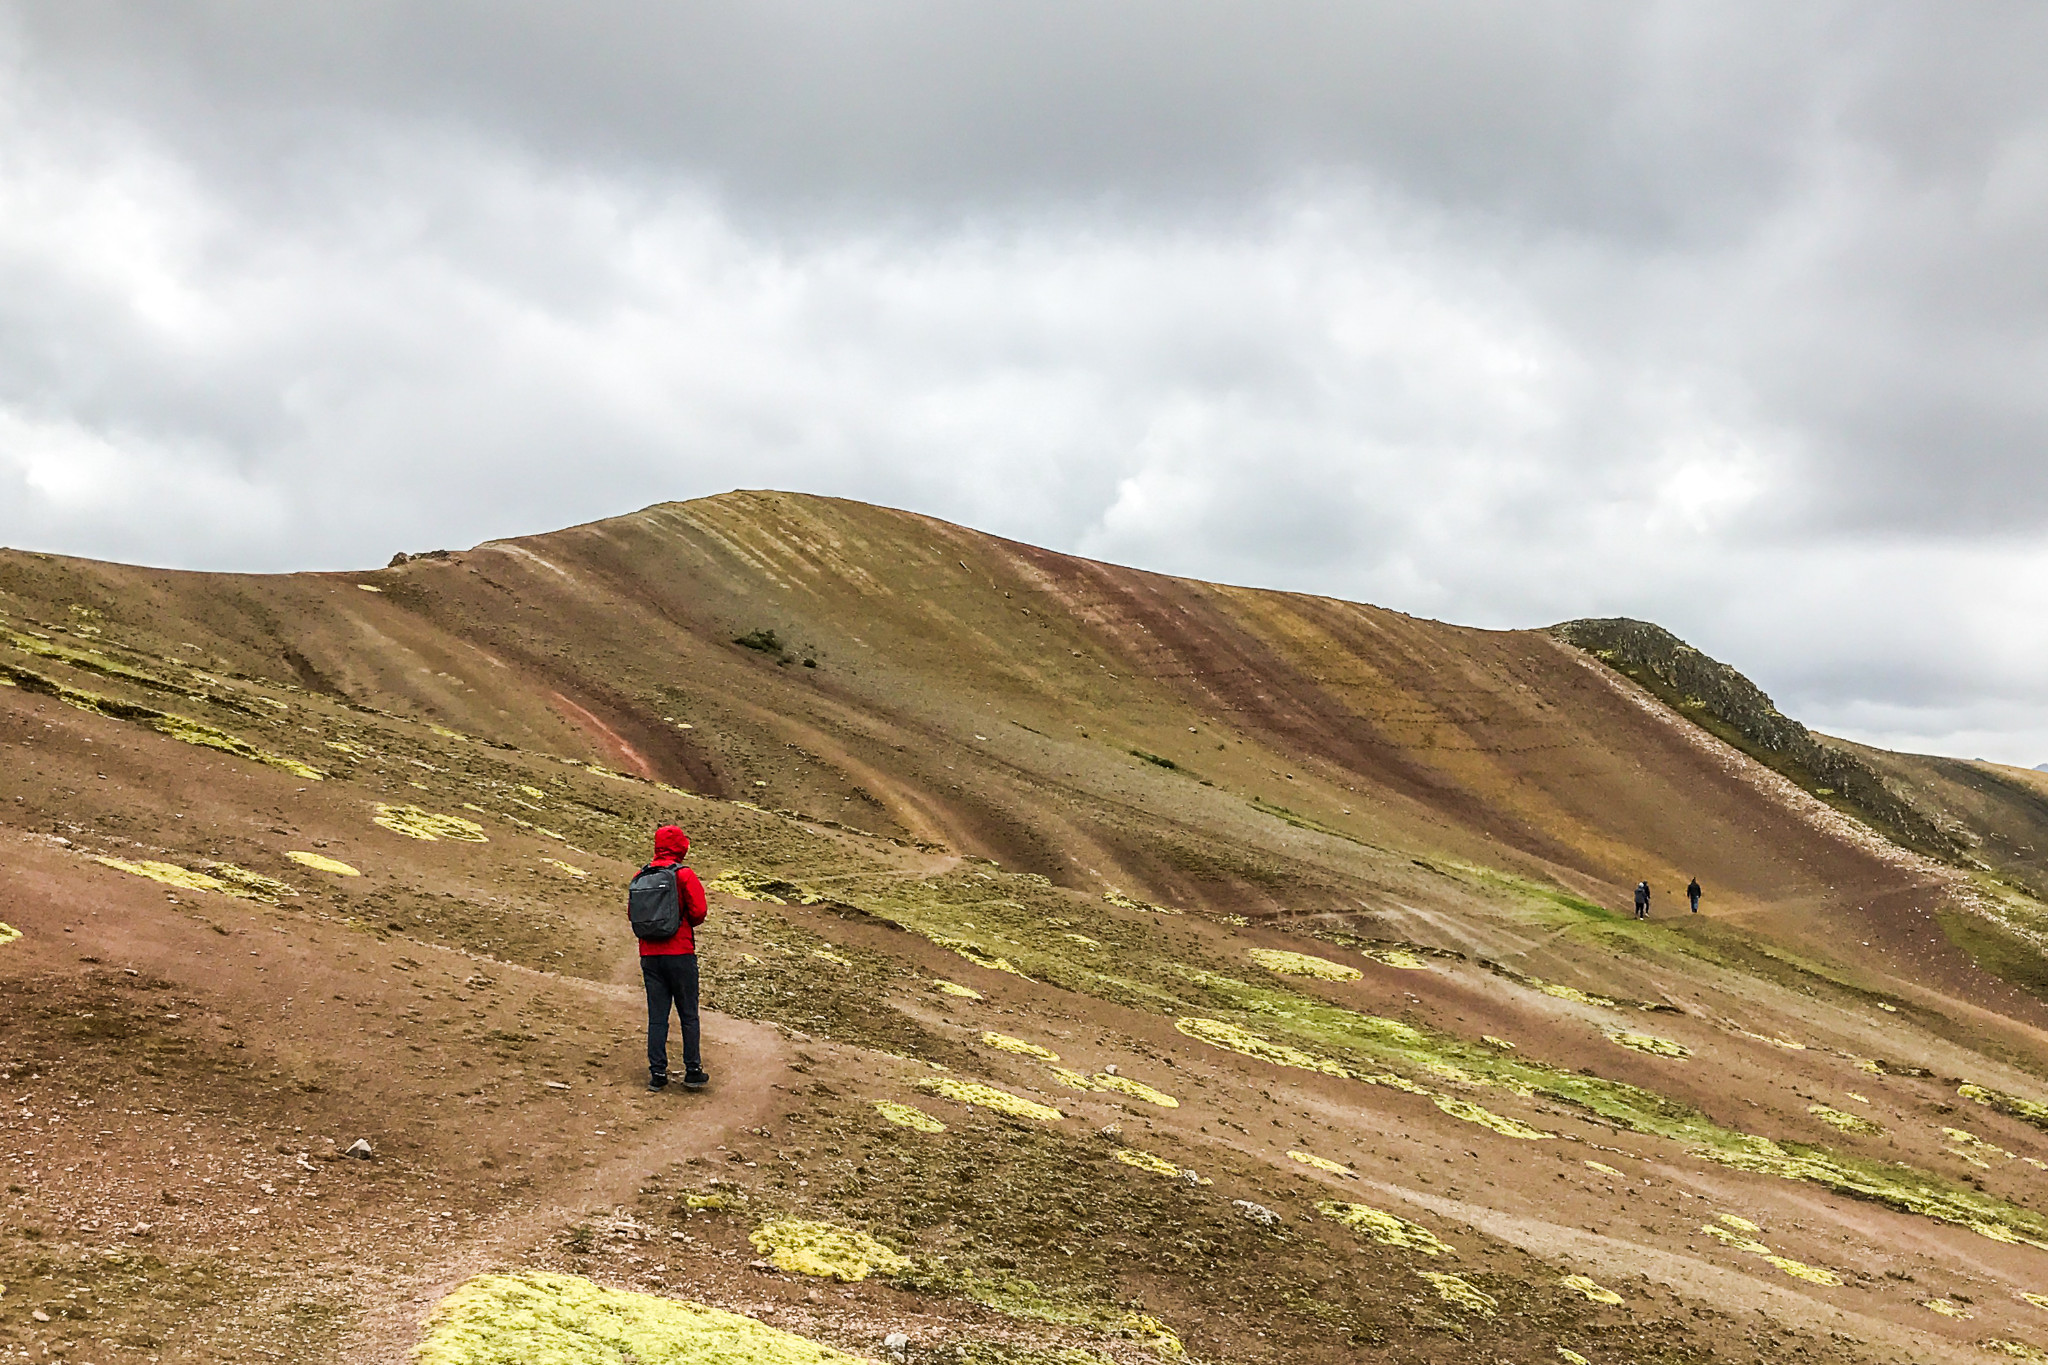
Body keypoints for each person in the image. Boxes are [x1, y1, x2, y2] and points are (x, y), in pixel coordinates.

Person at [637, 824, 710, 1092]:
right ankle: (692, 1071)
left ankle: (657, 1073)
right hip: (680, 953)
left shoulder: (642, 875)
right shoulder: (684, 875)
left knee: (657, 1016)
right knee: (688, 1014)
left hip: (649, 955)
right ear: (681, 846)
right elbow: (699, 912)